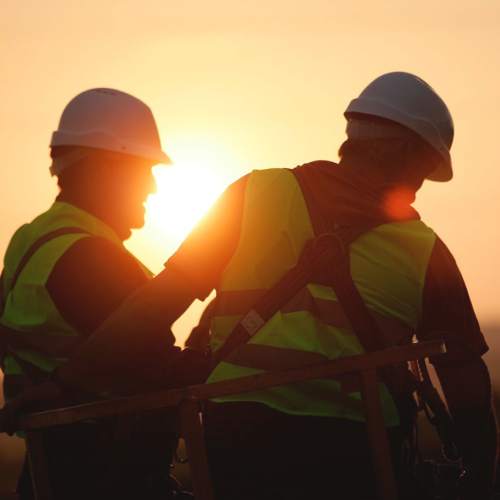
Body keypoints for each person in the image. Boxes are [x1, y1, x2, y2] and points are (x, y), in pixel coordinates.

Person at [5, 73, 498, 499]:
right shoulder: (427, 250)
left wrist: (63, 384)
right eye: (424, 174)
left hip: (235, 447)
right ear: (413, 157)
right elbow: (463, 377)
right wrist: (480, 473)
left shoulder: (252, 193)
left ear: (352, 138)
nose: (418, 191)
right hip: (359, 453)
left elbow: (154, 304)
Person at [0, 88, 182, 499]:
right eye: (144, 169)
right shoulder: (91, 256)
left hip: (51, 468)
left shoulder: (30, 240)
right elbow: (161, 372)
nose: (152, 188)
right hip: (106, 474)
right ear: (104, 169)